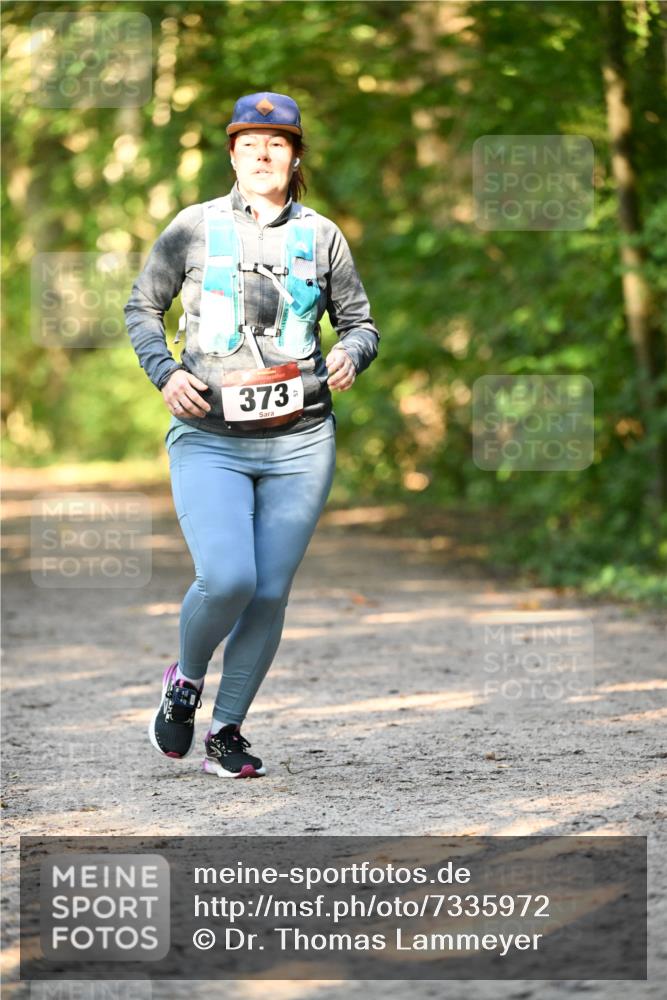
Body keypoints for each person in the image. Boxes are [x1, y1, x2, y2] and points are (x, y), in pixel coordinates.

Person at [125, 92, 380, 779]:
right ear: (232, 155)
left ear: (294, 156)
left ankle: (227, 730)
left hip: (301, 438)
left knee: (269, 592)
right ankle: (184, 684)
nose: (261, 155)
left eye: (276, 144)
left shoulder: (322, 236)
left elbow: (360, 323)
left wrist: (351, 353)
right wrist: (165, 373)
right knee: (231, 576)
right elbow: (143, 307)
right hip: (209, 434)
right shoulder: (193, 226)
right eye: (247, 144)